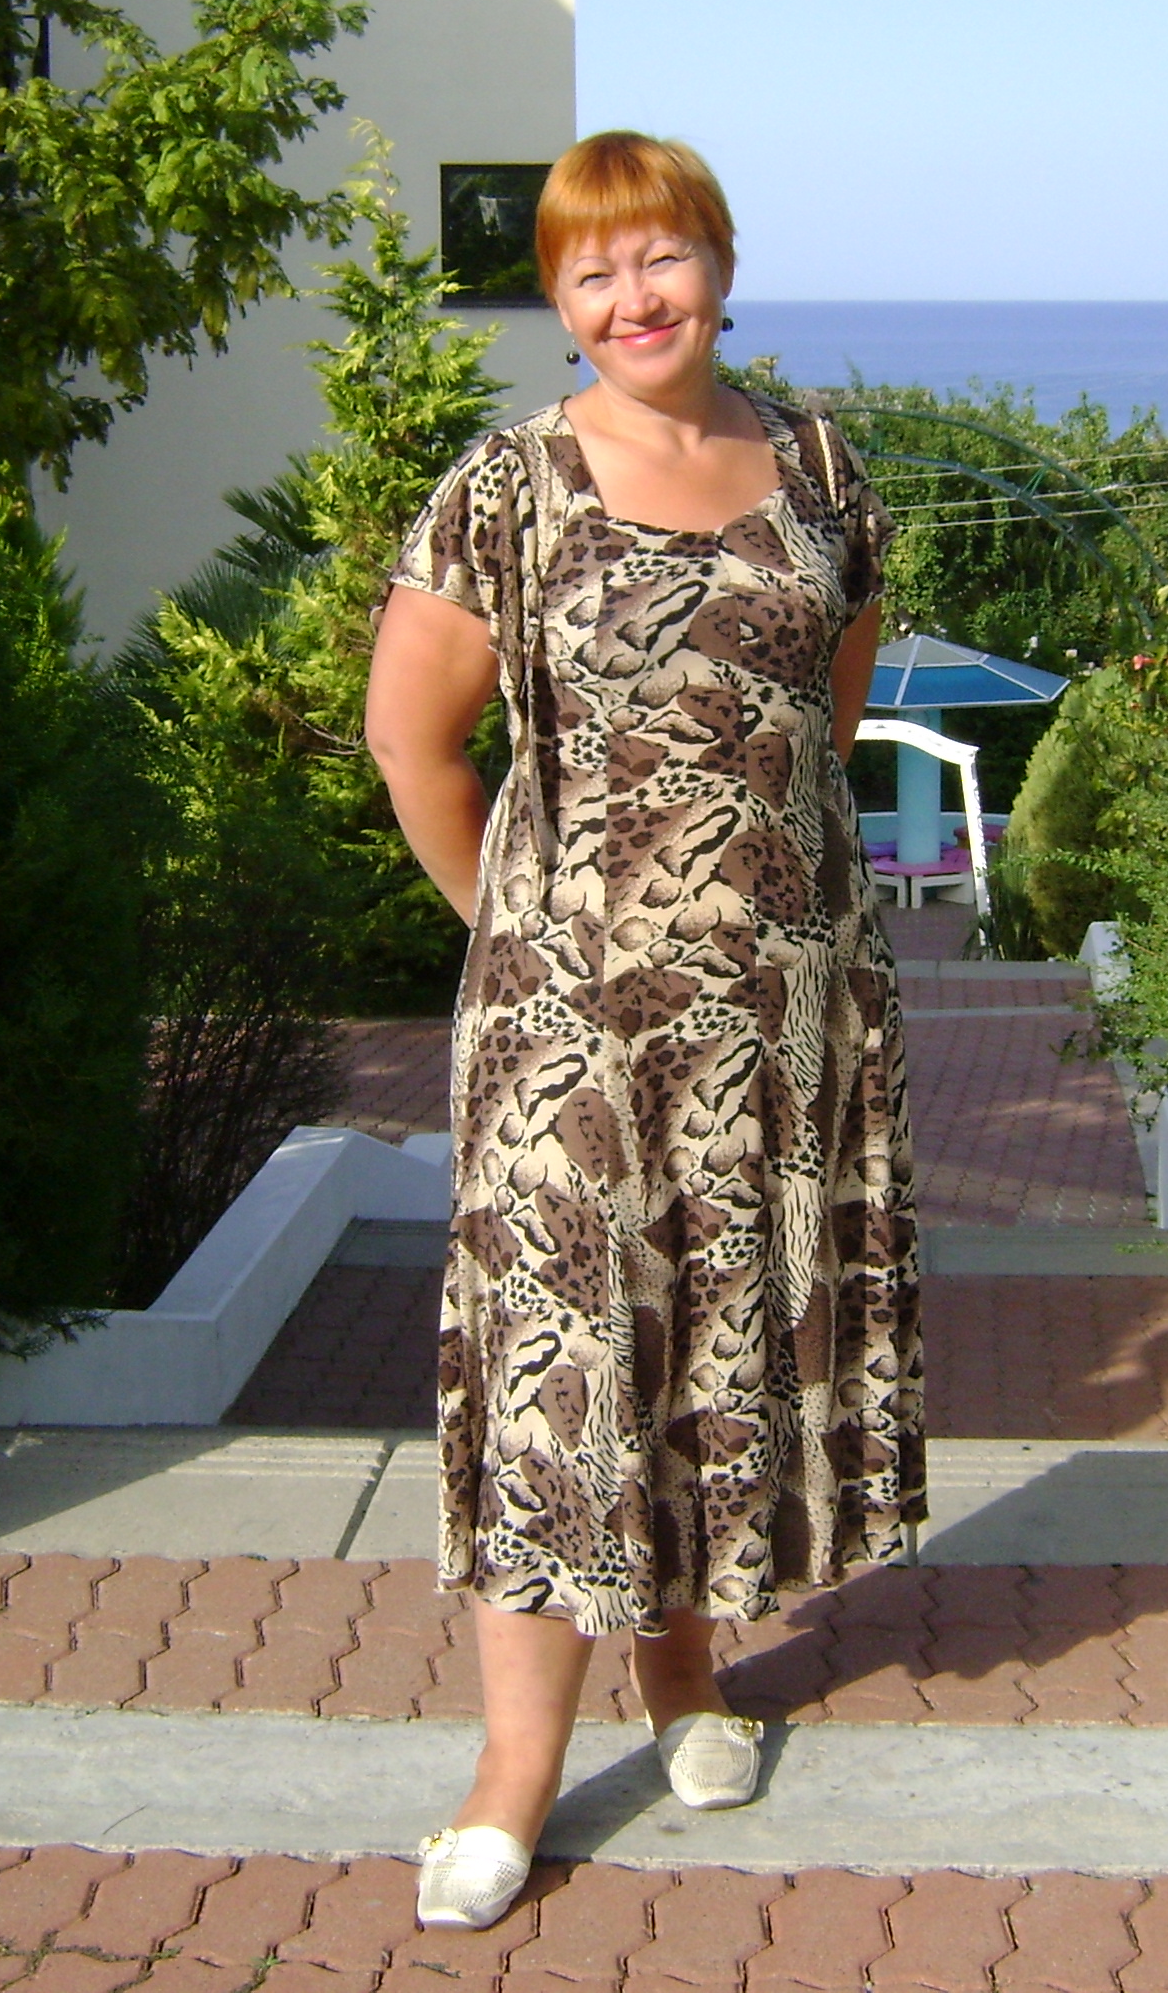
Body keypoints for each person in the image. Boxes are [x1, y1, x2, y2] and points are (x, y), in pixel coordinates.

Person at [365, 131, 925, 1932]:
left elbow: (824, 713)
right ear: (558, 299)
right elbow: (411, 743)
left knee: (711, 1352)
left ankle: (683, 1669)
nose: (633, 298)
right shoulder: (506, 490)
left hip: (782, 1011)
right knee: (560, 1367)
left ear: (721, 264)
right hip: (571, 1032)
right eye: (591, 272)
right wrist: (515, 934)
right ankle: (511, 1775)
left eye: (661, 257)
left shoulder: (820, 467)